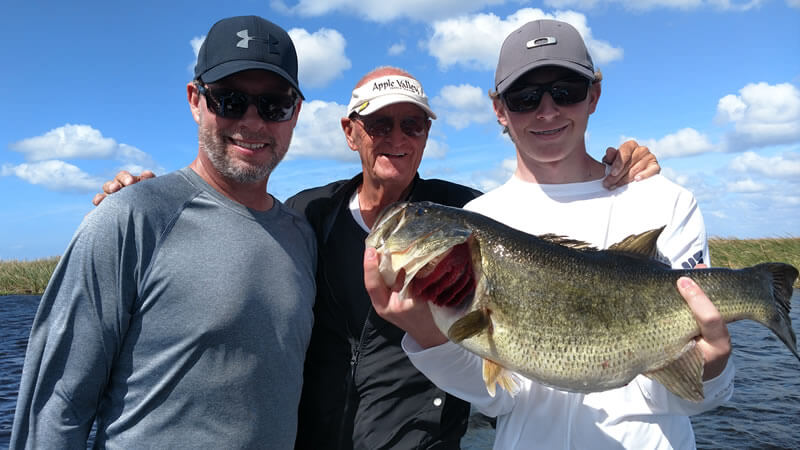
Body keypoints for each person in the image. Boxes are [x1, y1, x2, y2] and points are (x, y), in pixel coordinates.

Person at [91, 67, 660, 448]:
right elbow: (226, 221)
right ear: (350, 132)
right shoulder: (306, 214)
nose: (397, 137)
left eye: (412, 124)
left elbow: (549, 226)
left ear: (427, 133)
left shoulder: (468, 212)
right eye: (379, 124)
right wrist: (142, 196)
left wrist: (622, 164)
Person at [364, 20, 734, 449]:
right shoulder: (480, 218)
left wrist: (713, 365)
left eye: (566, 91)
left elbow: (694, 399)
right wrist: (428, 335)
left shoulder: (665, 202)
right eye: (524, 98)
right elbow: (498, 399)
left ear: (593, 95)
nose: (547, 110)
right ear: (499, 109)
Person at [10, 16, 316, 449]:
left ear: (295, 113)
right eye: (229, 101)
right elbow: (56, 405)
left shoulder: (301, 236)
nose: (253, 122)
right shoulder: (130, 217)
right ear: (196, 100)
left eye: (274, 105)